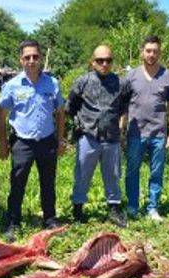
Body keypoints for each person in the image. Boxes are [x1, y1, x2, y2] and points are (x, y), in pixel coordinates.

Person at [0, 40, 66, 241]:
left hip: (46, 140)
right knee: (17, 182)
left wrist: (61, 140)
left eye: (35, 56)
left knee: (48, 182)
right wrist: (3, 144)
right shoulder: (12, 86)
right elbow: (1, 115)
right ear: (21, 60)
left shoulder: (52, 84)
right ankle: (13, 222)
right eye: (27, 57)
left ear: (41, 58)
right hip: (22, 142)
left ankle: (50, 219)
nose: (31, 61)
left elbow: (61, 113)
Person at [67, 45, 131, 227]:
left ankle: (114, 208)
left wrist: (121, 126)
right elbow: (70, 106)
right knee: (82, 175)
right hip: (88, 136)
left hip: (111, 137)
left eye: (108, 60)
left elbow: (124, 107)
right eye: (100, 60)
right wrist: (80, 126)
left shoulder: (122, 83)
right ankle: (78, 209)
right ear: (92, 61)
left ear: (113, 62)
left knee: (113, 175)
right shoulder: (82, 82)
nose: (104, 64)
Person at [123, 36, 169, 221]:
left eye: (155, 51)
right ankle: (132, 206)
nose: (151, 54)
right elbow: (123, 106)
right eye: (148, 51)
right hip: (135, 133)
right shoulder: (131, 76)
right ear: (142, 52)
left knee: (157, 171)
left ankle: (153, 207)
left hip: (158, 134)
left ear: (159, 53)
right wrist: (121, 128)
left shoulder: (168, 76)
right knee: (132, 170)